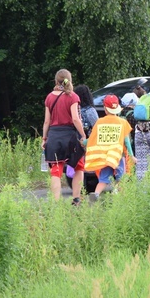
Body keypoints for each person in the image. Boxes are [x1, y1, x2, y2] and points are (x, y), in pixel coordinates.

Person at [42, 69, 86, 204]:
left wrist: (44, 138)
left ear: (56, 81)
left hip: (54, 136)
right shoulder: (73, 96)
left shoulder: (49, 97)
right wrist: (83, 135)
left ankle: (55, 204)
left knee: (56, 171)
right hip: (70, 137)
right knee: (79, 166)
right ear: (69, 80)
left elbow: (47, 121)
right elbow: (75, 119)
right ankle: (76, 199)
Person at [84, 95, 135, 200]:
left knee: (103, 179)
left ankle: (96, 194)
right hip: (117, 156)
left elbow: (92, 138)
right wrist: (131, 155)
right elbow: (126, 141)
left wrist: (83, 142)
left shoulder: (100, 122)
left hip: (104, 157)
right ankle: (117, 194)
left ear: (105, 109)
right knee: (121, 177)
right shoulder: (122, 122)